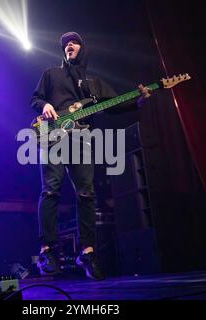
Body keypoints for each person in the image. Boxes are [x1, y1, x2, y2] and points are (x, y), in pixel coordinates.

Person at [30, 31, 151, 280]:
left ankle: (87, 251)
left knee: (87, 194)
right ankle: (47, 251)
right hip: (53, 134)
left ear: (83, 49)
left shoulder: (94, 84)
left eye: (73, 42)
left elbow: (116, 104)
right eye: (65, 44)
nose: (68, 45)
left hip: (81, 138)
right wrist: (45, 105)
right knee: (51, 189)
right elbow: (35, 98)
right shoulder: (51, 73)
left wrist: (138, 101)